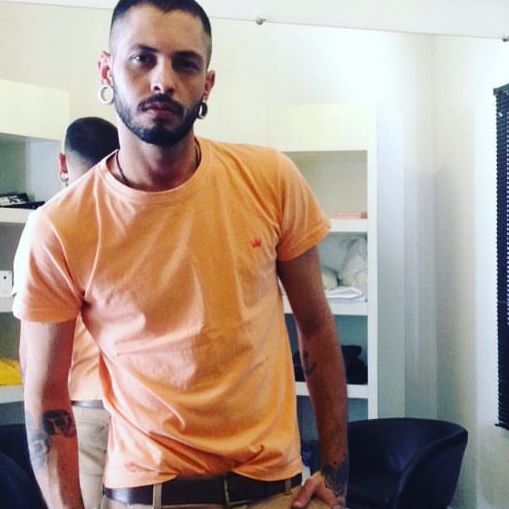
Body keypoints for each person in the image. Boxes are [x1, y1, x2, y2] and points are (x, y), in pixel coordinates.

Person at [13, 1, 349, 508]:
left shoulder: (270, 180)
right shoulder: (61, 227)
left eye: (185, 64)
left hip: (278, 491)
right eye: (142, 58)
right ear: (107, 70)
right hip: (147, 494)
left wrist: (336, 474)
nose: (163, 80)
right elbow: (46, 397)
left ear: (207, 84)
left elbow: (318, 328)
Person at [59, 117, 120, 509]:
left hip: (82, 415)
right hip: (140, 417)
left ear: (63, 163)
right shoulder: (138, 225)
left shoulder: (52, 231)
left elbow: (35, 356)